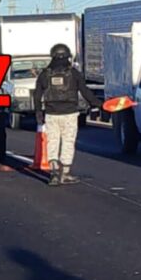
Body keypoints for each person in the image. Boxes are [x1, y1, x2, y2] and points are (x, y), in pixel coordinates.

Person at [33, 44, 100, 186]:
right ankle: (65, 173)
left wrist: (38, 111)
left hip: (51, 114)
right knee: (68, 143)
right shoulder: (74, 73)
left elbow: (37, 94)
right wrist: (99, 105)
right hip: (70, 113)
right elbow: (85, 91)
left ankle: (53, 173)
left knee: (53, 142)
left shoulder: (45, 74)